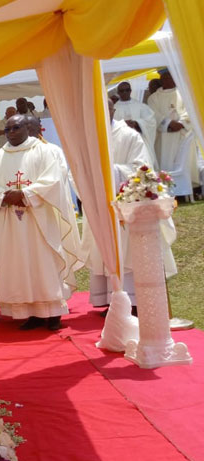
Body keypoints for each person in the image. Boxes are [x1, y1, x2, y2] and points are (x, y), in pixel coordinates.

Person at [0, 115, 80, 330]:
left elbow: (53, 180)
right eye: (7, 129)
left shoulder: (43, 151)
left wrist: (25, 194)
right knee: (19, 264)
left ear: (27, 128)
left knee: (43, 262)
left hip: (40, 221)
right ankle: (31, 313)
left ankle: (53, 312)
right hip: (11, 222)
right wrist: (3, 196)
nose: (11, 133)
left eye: (16, 127)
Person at [87, 101, 177, 309]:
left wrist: (109, 171)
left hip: (126, 204)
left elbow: (141, 168)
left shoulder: (129, 135)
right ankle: (111, 301)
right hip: (100, 203)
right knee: (106, 250)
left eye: (104, 108)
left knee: (128, 252)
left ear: (113, 110)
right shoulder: (90, 137)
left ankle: (133, 301)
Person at [147, 70, 197, 193]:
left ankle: (186, 189)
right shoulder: (154, 98)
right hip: (164, 137)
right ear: (161, 79)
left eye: (170, 77)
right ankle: (166, 189)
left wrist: (181, 123)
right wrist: (169, 123)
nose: (168, 79)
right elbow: (153, 114)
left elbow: (190, 109)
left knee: (184, 161)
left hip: (182, 134)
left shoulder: (183, 93)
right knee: (165, 161)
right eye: (165, 77)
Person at [114, 81, 158, 166]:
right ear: (118, 92)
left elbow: (151, 121)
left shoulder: (140, 106)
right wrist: (123, 124)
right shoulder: (114, 108)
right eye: (122, 91)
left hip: (139, 140)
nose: (125, 92)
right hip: (122, 141)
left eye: (127, 90)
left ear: (130, 91)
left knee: (142, 164)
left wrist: (137, 123)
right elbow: (110, 124)